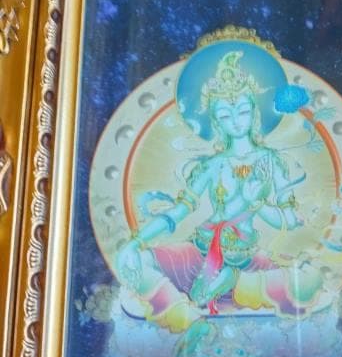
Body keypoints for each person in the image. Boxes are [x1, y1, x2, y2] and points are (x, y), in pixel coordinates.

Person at [117, 51, 327, 331]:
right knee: (137, 261)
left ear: (254, 113)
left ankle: (235, 283)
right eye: (226, 115)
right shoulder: (212, 165)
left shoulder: (271, 161)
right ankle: (184, 316)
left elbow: (288, 220)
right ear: (216, 122)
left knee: (311, 279)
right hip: (200, 253)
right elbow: (178, 212)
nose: (236, 121)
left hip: (247, 261)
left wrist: (257, 204)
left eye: (243, 111)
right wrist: (136, 241)